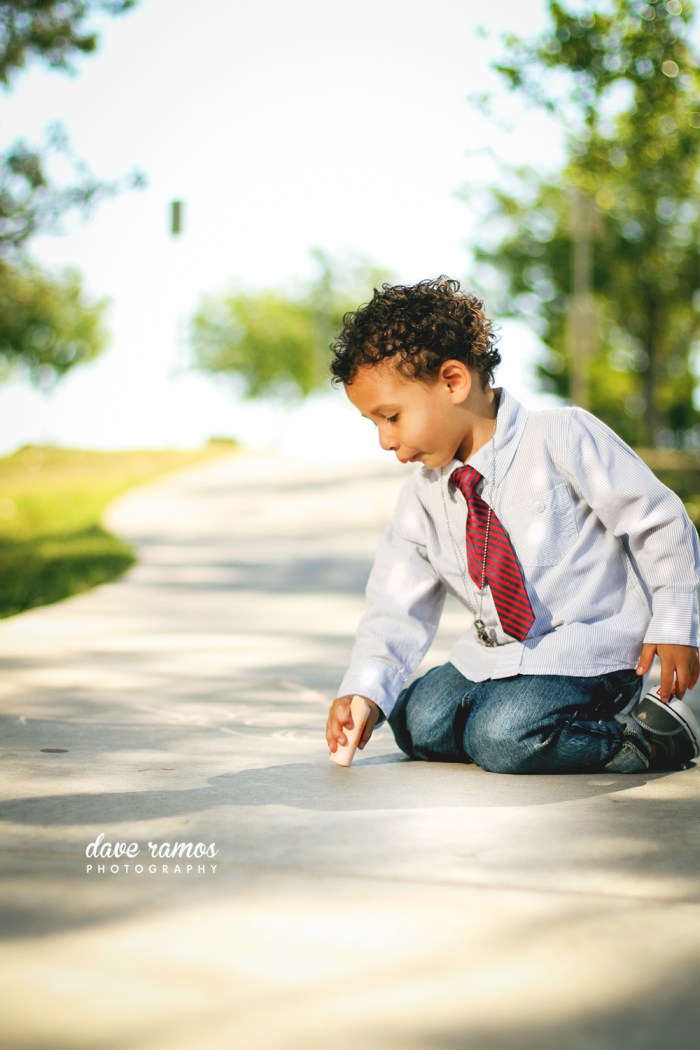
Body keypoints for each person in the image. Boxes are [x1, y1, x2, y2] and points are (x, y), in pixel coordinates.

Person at [325, 277, 700, 774]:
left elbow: (658, 519)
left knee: (503, 736)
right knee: (415, 717)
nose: (384, 440)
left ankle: (650, 737)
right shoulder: (422, 495)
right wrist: (364, 692)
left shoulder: (562, 436)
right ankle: (509, 722)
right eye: (374, 424)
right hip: (497, 661)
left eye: (391, 416)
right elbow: (395, 608)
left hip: (589, 659)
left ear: (453, 381)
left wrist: (676, 623)